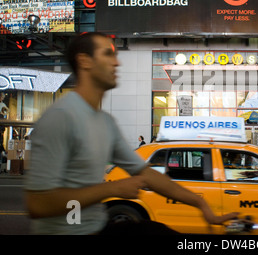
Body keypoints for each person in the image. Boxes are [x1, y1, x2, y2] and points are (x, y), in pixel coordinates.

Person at [24, 33, 238, 235]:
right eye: (108, 54)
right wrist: (112, 188)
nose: (117, 63)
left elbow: (146, 174)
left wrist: (201, 204)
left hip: (95, 227)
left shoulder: (105, 123)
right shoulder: (61, 118)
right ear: (85, 61)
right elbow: (39, 204)